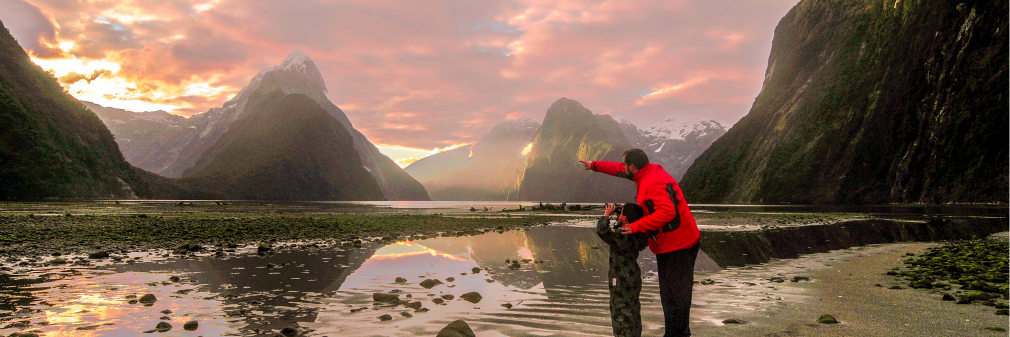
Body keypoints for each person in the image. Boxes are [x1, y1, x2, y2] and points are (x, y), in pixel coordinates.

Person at [579, 149, 700, 337]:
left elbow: (668, 212)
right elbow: (619, 169)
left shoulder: (653, 182)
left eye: (626, 165)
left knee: (675, 298)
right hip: (673, 241)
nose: (623, 167)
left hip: (678, 244)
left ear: (633, 167)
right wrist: (594, 165)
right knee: (672, 297)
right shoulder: (646, 172)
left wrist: (636, 226)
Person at [597, 202, 650, 337]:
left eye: (621, 213)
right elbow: (625, 222)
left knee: (619, 312)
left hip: (620, 278)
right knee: (633, 308)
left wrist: (606, 215)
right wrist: (622, 211)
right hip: (633, 276)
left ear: (625, 218)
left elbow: (602, 230)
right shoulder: (639, 233)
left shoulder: (622, 235)